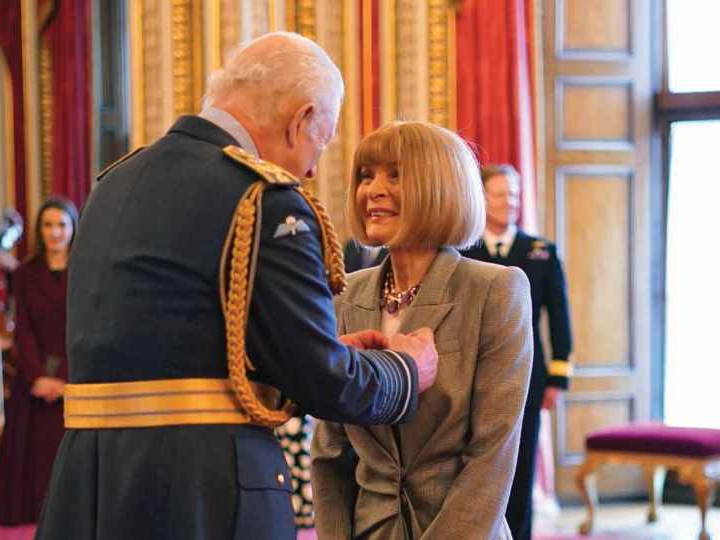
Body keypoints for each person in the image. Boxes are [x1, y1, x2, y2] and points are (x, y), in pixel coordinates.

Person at [36, 32, 438, 540]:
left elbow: (174, 344)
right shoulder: (262, 197)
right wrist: (407, 368)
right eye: (322, 141)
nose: (313, 168)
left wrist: (306, 349)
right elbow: (323, 382)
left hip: (86, 483)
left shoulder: (112, 182)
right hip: (198, 490)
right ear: (301, 120)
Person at [311, 121, 534, 539]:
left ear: (441, 186)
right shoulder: (346, 293)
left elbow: (492, 455)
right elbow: (330, 456)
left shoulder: (495, 289)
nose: (373, 190)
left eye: (395, 175)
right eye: (366, 175)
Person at [459, 163, 573, 540]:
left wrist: (557, 377)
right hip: (468, 374)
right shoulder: (464, 250)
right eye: (500, 194)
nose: (509, 202)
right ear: (482, 197)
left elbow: (559, 319)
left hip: (526, 376)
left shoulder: (539, 252)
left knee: (520, 464)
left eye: (514, 194)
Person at [0, 197, 77, 526]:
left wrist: (68, 378)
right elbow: (22, 328)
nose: (55, 232)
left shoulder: (85, 267)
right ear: (39, 231)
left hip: (75, 375)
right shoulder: (25, 273)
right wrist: (38, 377)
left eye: (61, 224)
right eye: (48, 225)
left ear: (72, 228)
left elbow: (86, 325)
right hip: (34, 375)